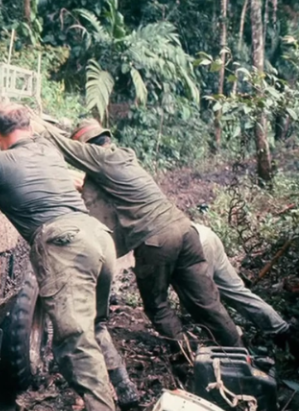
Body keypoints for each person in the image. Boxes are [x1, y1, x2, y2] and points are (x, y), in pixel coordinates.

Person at [0, 104, 136, 411]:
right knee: (94, 326)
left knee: (73, 340)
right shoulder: (49, 150)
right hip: (98, 236)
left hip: (64, 243)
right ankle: (124, 389)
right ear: (30, 126)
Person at [46, 119, 242, 353]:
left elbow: (60, 145)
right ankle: (241, 353)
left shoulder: (100, 159)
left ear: (88, 147)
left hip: (157, 240)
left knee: (157, 305)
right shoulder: (125, 157)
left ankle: (186, 354)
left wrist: (33, 124)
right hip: (185, 230)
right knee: (207, 302)